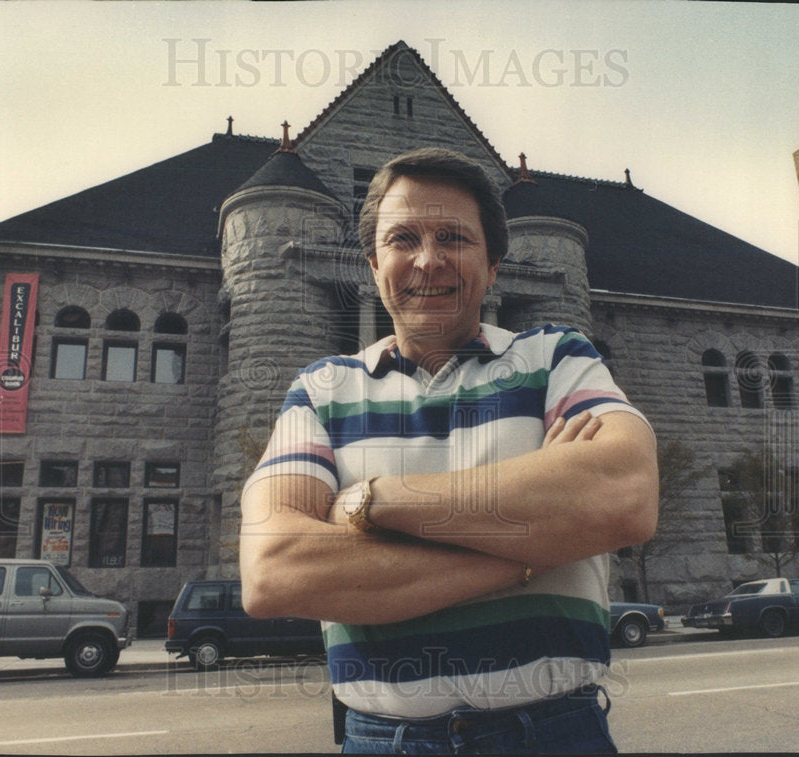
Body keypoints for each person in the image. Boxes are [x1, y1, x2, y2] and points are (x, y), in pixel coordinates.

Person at [239, 147, 658, 754]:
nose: (428, 260)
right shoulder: (321, 389)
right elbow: (274, 571)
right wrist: (541, 545)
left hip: (554, 734)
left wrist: (373, 502)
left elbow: (623, 498)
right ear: (373, 263)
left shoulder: (555, 358)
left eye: (453, 238)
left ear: (492, 268)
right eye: (403, 238)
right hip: (384, 741)